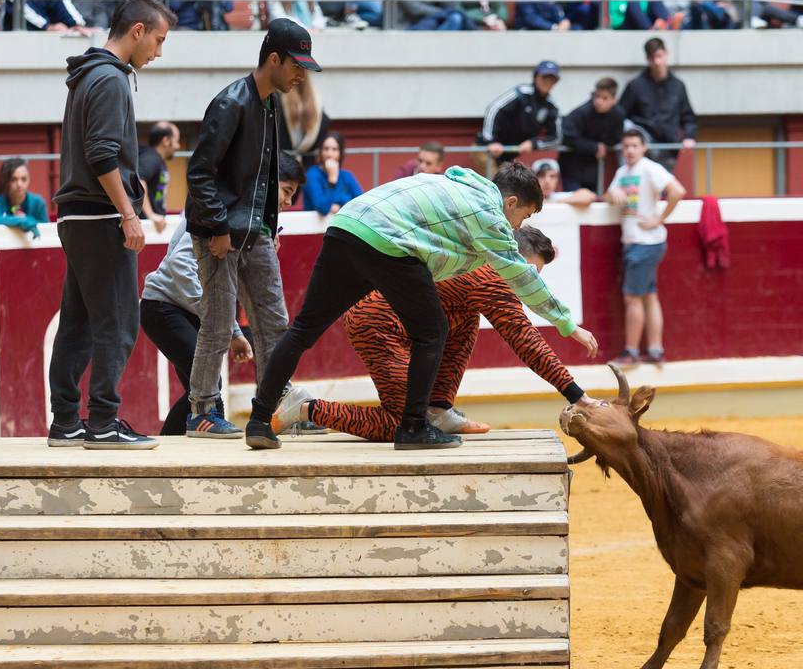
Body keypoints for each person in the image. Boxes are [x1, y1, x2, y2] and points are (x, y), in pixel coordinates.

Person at [242, 162, 586, 451]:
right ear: (510, 203)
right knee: (432, 330)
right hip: (385, 253)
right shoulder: (492, 223)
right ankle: (412, 427)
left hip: (346, 226)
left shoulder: (457, 182)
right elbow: (524, 309)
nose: (517, 228)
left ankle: (258, 420)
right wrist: (568, 326)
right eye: (522, 217)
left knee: (303, 329)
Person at [282, 225, 599, 440]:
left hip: (392, 314)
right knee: (403, 424)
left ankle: (439, 407)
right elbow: (526, 342)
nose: (529, 282)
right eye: (531, 271)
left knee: (465, 315)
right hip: (378, 321)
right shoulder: (493, 276)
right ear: (515, 256)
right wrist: (578, 396)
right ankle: (306, 408)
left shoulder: (481, 255)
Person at [47, 0, 175, 450]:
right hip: (101, 215)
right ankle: (102, 421)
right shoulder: (110, 80)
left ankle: (66, 421)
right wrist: (129, 214)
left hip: (78, 216)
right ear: (137, 31)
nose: (158, 52)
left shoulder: (88, 75)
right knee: (119, 323)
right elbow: (103, 155)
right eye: (158, 40)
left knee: (78, 322)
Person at [182, 18, 317, 439]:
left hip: (254, 229)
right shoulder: (231, 103)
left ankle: (275, 405)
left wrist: (268, 224)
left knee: (274, 319)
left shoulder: (270, 102)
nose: (301, 75)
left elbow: (263, 175)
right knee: (219, 324)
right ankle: (201, 411)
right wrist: (218, 228)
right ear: (273, 59)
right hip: (220, 232)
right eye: (296, 65)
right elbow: (200, 173)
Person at [141, 153, 306, 435]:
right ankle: (173, 444)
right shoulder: (224, 207)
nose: (289, 203)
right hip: (164, 305)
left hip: (184, 307)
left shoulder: (249, 215)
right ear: (268, 182)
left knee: (202, 392)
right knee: (207, 391)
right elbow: (182, 267)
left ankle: (172, 448)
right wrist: (232, 330)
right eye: (287, 192)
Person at [605, 130, 683, 369]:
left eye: (634, 146)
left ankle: (631, 352)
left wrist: (659, 219)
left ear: (643, 147)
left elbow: (677, 191)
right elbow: (608, 195)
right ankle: (655, 350)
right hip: (639, 242)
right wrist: (613, 193)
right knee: (648, 296)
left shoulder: (649, 168)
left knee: (633, 298)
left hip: (645, 243)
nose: (629, 150)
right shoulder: (622, 172)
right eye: (626, 146)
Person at [619, 38, 697, 172]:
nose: (657, 62)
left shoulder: (678, 86)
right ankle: (626, 177)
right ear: (647, 59)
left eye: (659, 56)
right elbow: (620, 115)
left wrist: (689, 137)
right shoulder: (636, 85)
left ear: (666, 54)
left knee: (661, 189)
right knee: (626, 126)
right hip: (643, 146)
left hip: (668, 147)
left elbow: (688, 117)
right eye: (652, 58)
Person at [478, 60, 562, 163]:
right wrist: (490, 142)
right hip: (486, 150)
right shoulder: (521, 93)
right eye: (544, 77)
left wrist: (533, 143)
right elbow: (494, 109)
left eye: (552, 79)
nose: (547, 82)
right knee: (493, 177)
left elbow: (556, 138)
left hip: (509, 157)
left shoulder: (551, 106)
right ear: (536, 77)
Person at [561, 77, 626, 193]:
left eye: (604, 98)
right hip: (572, 167)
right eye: (597, 96)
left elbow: (616, 138)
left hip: (593, 170)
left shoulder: (618, 114)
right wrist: (594, 147)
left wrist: (603, 146)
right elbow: (567, 135)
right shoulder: (582, 112)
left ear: (614, 100)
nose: (599, 101)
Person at [0, 158, 50, 238]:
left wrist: (27, 220)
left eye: (23, 179)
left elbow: (47, 228)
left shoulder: (38, 202)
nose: (19, 184)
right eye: (14, 179)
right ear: (6, 181)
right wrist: (22, 221)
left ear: (29, 179)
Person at [303, 133, 362, 216]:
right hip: (315, 227)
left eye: (334, 149)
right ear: (320, 151)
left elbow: (362, 204)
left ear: (340, 153)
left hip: (342, 225)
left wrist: (340, 207)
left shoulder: (346, 176)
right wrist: (332, 179)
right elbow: (323, 208)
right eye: (326, 149)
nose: (329, 154)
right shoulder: (312, 175)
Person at [137, 120, 179, 228]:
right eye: (176, 141)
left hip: (154, 224)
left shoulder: (156, 159)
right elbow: (139, 179)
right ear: (165, 141)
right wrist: (151, 214)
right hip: (146, 225)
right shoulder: (151, 158)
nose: (178, 146)